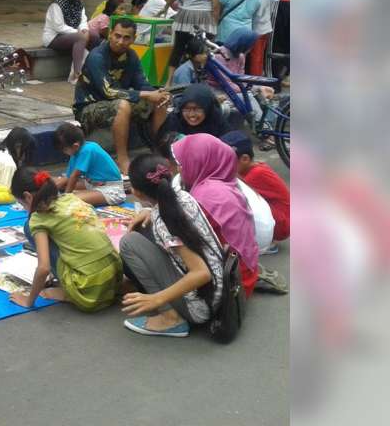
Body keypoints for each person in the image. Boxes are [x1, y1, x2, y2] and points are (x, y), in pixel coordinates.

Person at [119, 153, 224, 337]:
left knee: (129, 242)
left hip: (201, 306)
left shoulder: (164, 222)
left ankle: (170, 318)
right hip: (220, 289)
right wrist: (150, 211)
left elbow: (201, 273)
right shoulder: (183, 196)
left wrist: (156, 299)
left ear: (136, 193)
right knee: (142, 235)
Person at [8, 168, 122, 312]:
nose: (24, 209)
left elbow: (44, 268)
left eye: (22, 204)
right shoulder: (72, 198)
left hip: (88, 291)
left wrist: (28, 301)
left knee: (28, 228)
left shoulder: (38, 218)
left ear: (28, 197)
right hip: (114, 280)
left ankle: (69, 292)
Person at [73, 19, 170, 174]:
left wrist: (158, 94)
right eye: (117, 36)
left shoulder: (131, 56)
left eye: (126, 38)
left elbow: (142, 83)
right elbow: (109, 91)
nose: (120, 41)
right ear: (110, 34)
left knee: (160, 101)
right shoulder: (97, 56)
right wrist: (146, 94)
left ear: (133, 39)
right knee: (122, 105)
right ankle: (122, 159)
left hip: (117, 102)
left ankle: (160, 153)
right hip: (88, 108)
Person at [171, 134, 259, 297]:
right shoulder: (226, 183)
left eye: (183, 163)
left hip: (231, 287)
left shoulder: (205, 196)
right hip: (246, 274)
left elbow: (184, 239)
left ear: (200, 162)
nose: (179, 169)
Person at [159, 0, 222, 85]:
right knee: (203, 51)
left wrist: (165, 8)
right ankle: (201, 82)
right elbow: (215, 5)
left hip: (185, 17)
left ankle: (168, 83)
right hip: (205, 18)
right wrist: (215, 23)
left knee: (178, 49)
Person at [221, 130, 290, 246]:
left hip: (282, 225)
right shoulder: (251, 169)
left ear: (245, 159)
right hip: (282, 219)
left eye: (227, 162)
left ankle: (264, 242)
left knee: (234, 202)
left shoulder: (256, 174)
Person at [52, 122, 127, 206]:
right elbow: (68, 177)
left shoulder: (87, 150)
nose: (64, 153)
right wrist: (54, 186)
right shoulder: (75, 152)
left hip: (111, 189)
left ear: (75, 146)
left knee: (71, 201)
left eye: (64, 150)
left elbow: (74, 176)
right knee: (54, 182)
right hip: (92, 184)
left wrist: (66, 196)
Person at [43, 0, 98, 84]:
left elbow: (83, 20)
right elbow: (59, 27)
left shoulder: (78, 3)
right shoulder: (57, 4)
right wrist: (79, 33)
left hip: (73, 35)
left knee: (94, 35)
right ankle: (77, 74)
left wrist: (84, 29)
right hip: (55, 37)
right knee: (81, 38)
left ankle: (92, 68)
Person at [161, 83, 230, 138]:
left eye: (197, 109)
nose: (192, 115)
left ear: (207, 108)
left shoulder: (216, 119)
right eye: (187, 109)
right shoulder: (175, 120)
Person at [248, 0, 281, 76]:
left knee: (255, 56)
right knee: (260, 56)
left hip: (256, 29)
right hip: (266, 29)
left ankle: (255, 80)